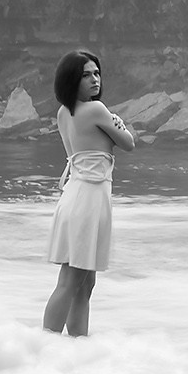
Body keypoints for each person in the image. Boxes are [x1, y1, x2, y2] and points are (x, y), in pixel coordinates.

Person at [42, 50, 135, 336]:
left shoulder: (64, 112)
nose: (94, 79)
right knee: (72, 281)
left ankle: (76, 346)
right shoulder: (96, 110)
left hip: (75, 195)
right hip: (89, 199)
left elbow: (76, 156)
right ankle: (45, 345)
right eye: (86, 75)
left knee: (84, 282)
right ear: (72, 80)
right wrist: (117, 122)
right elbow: (129, 143)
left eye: (96, 73)